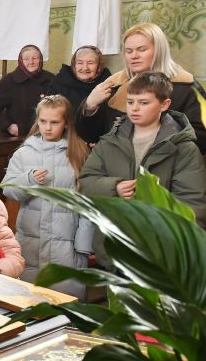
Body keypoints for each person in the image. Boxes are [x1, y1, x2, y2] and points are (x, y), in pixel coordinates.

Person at [80, 72, 206, 245]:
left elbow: (192, 206)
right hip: (115, 250)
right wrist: (114, 187)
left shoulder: (183, 149)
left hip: (161, 252)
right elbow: (86, 182)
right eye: (130, 102)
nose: (134, 108)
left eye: (144, 103)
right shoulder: (109, 142)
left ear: (164, 104)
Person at [2, 95, 93, 298]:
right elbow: (9, 189)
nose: (48, 127)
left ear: (66, 123)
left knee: (65, 297)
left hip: (67, 239)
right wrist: (29, 179)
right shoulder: (25, 153)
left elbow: (87, 201)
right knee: (29, 297)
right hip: (31, 237)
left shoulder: (78, 152)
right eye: (43, 121)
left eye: (54, 122)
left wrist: (84, 243)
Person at [77, 23, 206, 153]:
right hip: (114, 166)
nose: (134, 56)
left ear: (159, 50)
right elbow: (91, 136)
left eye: (142, 49)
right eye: (129, 51)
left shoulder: (186, 87)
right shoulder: (113, 85)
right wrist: (90, 106)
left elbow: (201, 138)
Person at [0, 44, 54, 137]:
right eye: (26, 59)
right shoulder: (10, 80)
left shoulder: (51, 79)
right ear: (21, 61)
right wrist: (8, 126)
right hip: (20, 137)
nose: (31, 62)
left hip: (47, 136)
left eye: (35, 58)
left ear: (40, 59)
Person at [45, 45, 112, 115]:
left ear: (98, 66)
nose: (85, 68)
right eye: (80, 63)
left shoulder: (107, 84)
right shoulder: (60, 82)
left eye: (90, 63)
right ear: (74, 65)